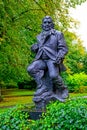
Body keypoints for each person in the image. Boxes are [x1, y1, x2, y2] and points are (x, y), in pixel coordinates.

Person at [27, 16, 68, 101]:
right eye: (45, 22)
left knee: (53, 75)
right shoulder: (39, 36)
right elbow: (41, 47)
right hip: (41, 59)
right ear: (42, 25)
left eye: (49, 22)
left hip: (52, 59)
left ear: (52, 24)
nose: (47, 24)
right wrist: (34, 48)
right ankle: (42, 87)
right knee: (31, 69)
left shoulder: (58, 34)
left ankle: (63, 89)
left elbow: (63, 48)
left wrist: (60, 56)